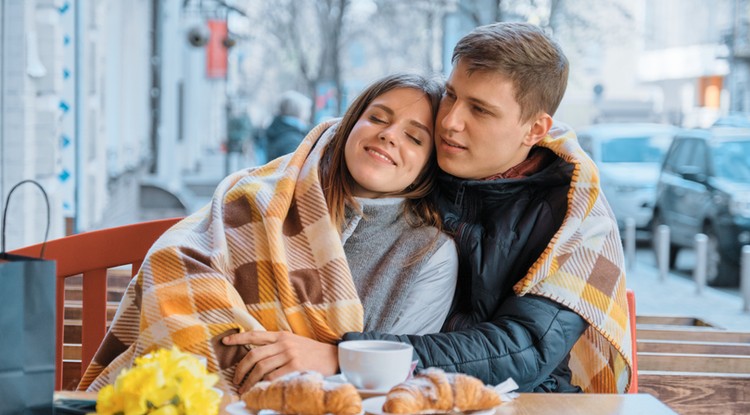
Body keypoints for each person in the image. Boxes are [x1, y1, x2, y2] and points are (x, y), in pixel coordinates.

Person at [225, 22, 633, 394]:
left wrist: (342, 356)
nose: (451, 121)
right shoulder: (417, 159)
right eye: (451, 96)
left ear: (536, 129)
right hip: (380, 390)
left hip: (514, 399)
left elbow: (525, 349)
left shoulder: (579, 218)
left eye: (480, 109)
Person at [77, 73, 458, 395]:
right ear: (351, 122)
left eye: (415, 137)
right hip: (193, 392)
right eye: (378, 118)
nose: (390, 135)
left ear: (428, 165)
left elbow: (399, 376)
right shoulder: (261, 196)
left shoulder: (427, 253)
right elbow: (175, 264)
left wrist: (327, 360)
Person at [265, 90, 313, 161]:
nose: (308, 114)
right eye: (305, 110)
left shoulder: (279, 130)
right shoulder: (292, 140)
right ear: (297, 111)